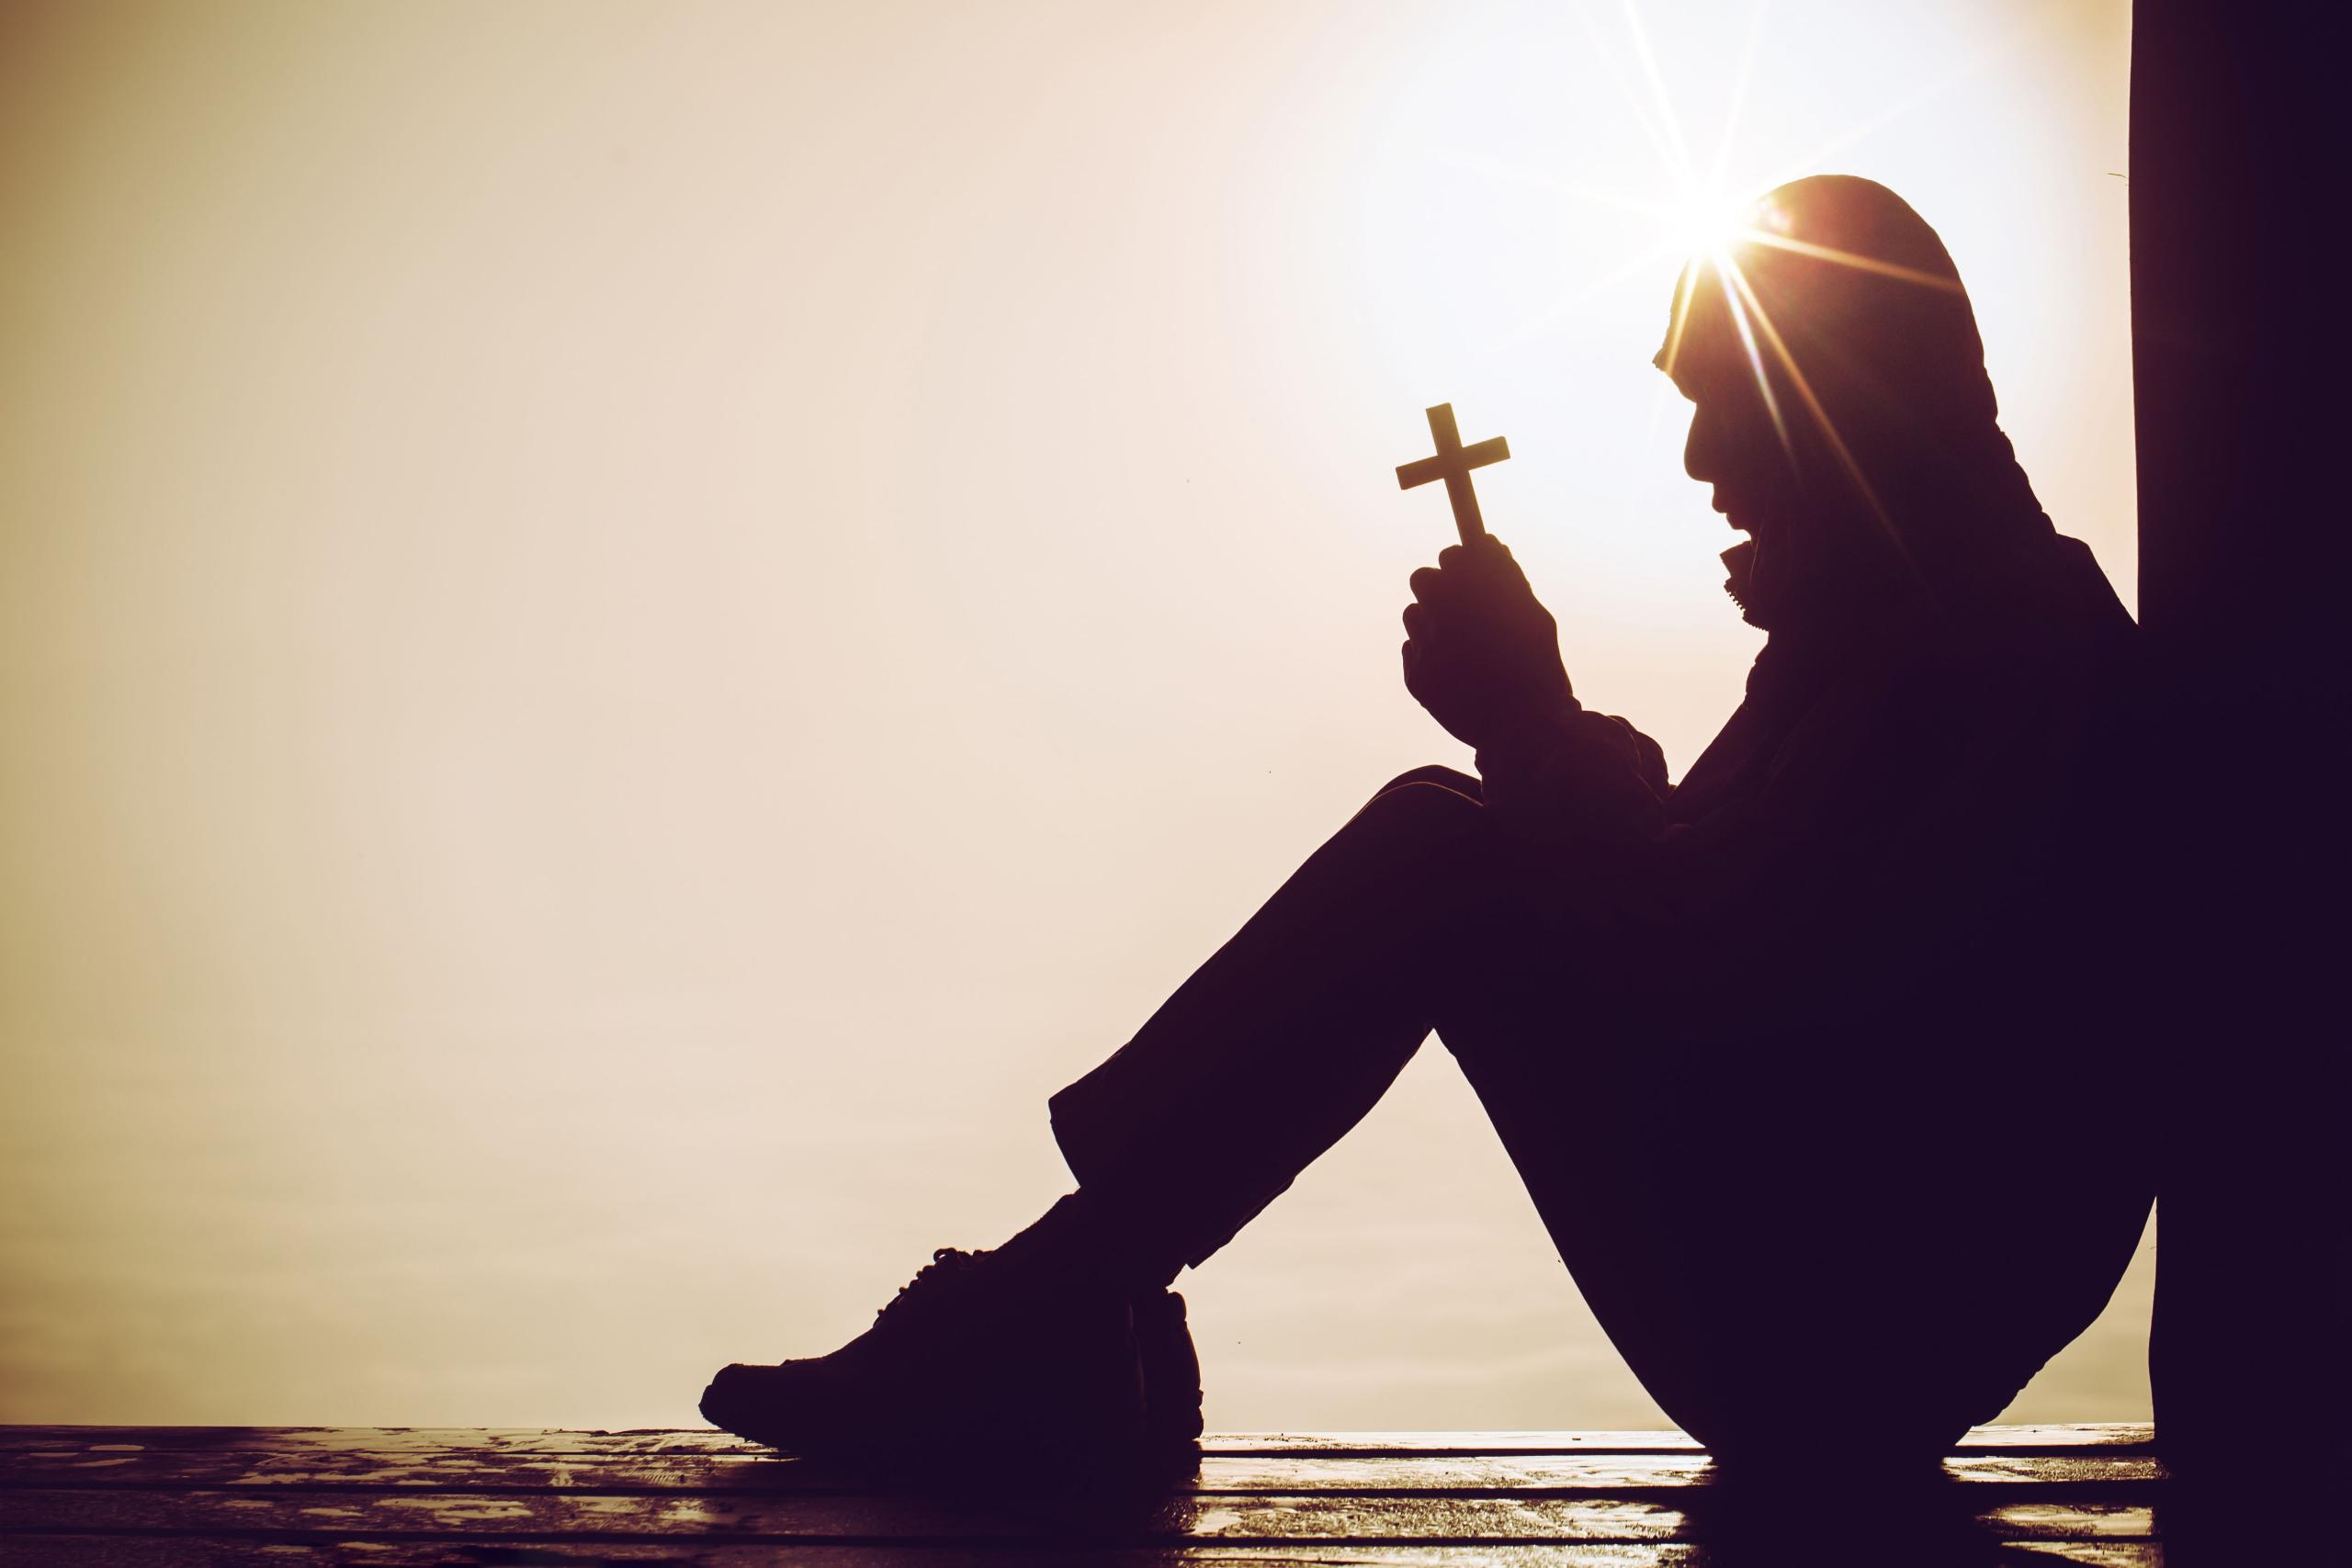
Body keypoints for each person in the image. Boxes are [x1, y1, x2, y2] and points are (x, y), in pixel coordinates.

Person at [699, 175, 2155, 1469]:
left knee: (1443, 854)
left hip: (1851, 1330)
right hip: (1837, 1288)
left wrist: (1530, 725)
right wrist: (1546, 730)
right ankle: (1072, 1305)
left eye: (1732, 402)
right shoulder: (1904, 633)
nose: (1706, 461)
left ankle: (1051, 1317)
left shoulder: (1994, 647)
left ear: (1857, 402)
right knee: (1453, 835)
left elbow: (1730, 969)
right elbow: (1696, 905)